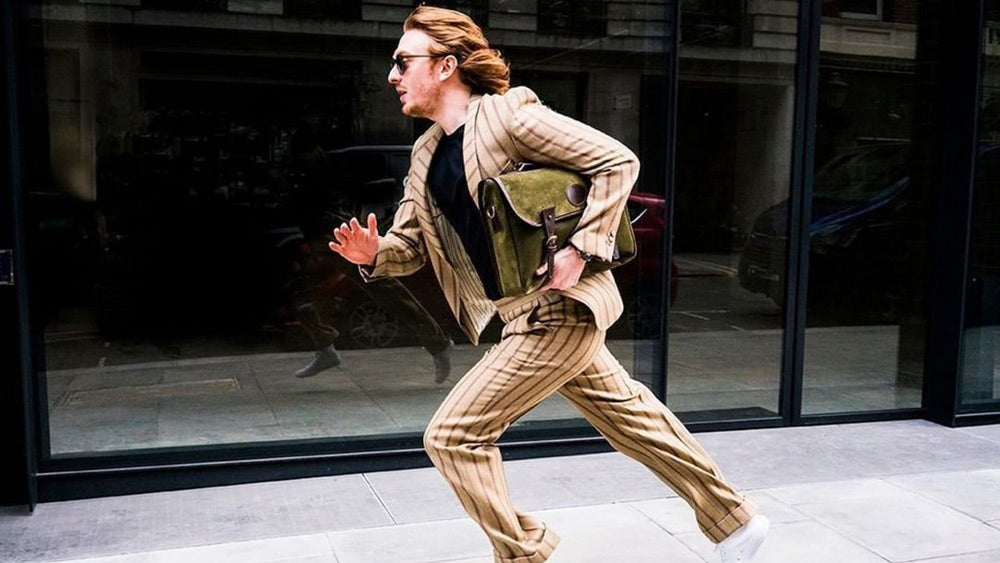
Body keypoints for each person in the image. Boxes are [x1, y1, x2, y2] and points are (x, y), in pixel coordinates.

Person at [329, 6, 769, 562]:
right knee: (633, 421)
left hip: (556, 311)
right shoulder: (424, 153)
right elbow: (411, 244)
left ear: (444, 65)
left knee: (453, 436)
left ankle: (524, 553)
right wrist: (375, 254)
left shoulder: (509, 116)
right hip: (521, 314)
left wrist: (582, 249)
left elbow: (617, 161)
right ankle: (736, 522)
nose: (393, 75)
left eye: (402, 61)